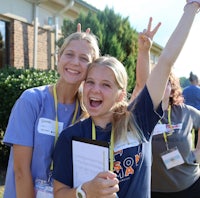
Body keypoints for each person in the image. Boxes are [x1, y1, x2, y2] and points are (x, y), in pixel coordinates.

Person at [52, 1, 200, 197]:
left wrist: (192, 7)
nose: (95, 90)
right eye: (90, 82)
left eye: (106, 84)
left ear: (121, 94)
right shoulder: (70, 136)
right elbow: (59, 193)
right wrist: (84, 191)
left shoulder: (138, 121)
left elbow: (165, 62)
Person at [2, 25, 100, 198]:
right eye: (69, 54)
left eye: (84, 58)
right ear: (59, 58)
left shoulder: (87, 112)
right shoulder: (31, 101)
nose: (75, 62)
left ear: (91, 68)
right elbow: (20, 171)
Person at [151, 72, 200, 198]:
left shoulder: (185, 112)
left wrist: (198, 151)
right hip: (152, 189)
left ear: (172, 89)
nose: (159, 86)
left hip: (189, 186)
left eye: (164, 82)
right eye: (155, 82)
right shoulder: (140, 114)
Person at [182, 71, 200, 146]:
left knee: (187, 133)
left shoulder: (184, 90)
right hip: (197, 115)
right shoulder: (199, 90)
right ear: (196, 80)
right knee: (197, 135)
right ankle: (197, 149)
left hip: (186, 115)